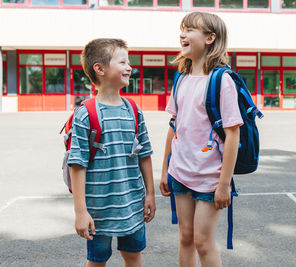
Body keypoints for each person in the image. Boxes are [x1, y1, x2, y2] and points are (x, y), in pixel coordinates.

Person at [159, 12, 243, 267]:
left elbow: (232, 133)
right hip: (180, 173)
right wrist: (165, 170)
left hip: (209, 178)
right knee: (185, 237)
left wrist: (224, 184)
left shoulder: (221, 81)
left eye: (190, 30)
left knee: (203, 243)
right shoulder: (181, 78)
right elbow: (174, 127)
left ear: (210, 38)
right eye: (181, 29)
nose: (182, 34)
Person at [68, 38, 155, 267]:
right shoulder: (86, 113)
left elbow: (144, 154)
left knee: (133, 256)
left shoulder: (134, 110)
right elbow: (77, 164)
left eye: (129, 62)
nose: (130, 67)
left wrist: (150, 194)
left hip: (132, 205)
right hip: (99, 211)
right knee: (97, 260)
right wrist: (80, 212)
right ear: (100, 69)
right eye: (123, 62)